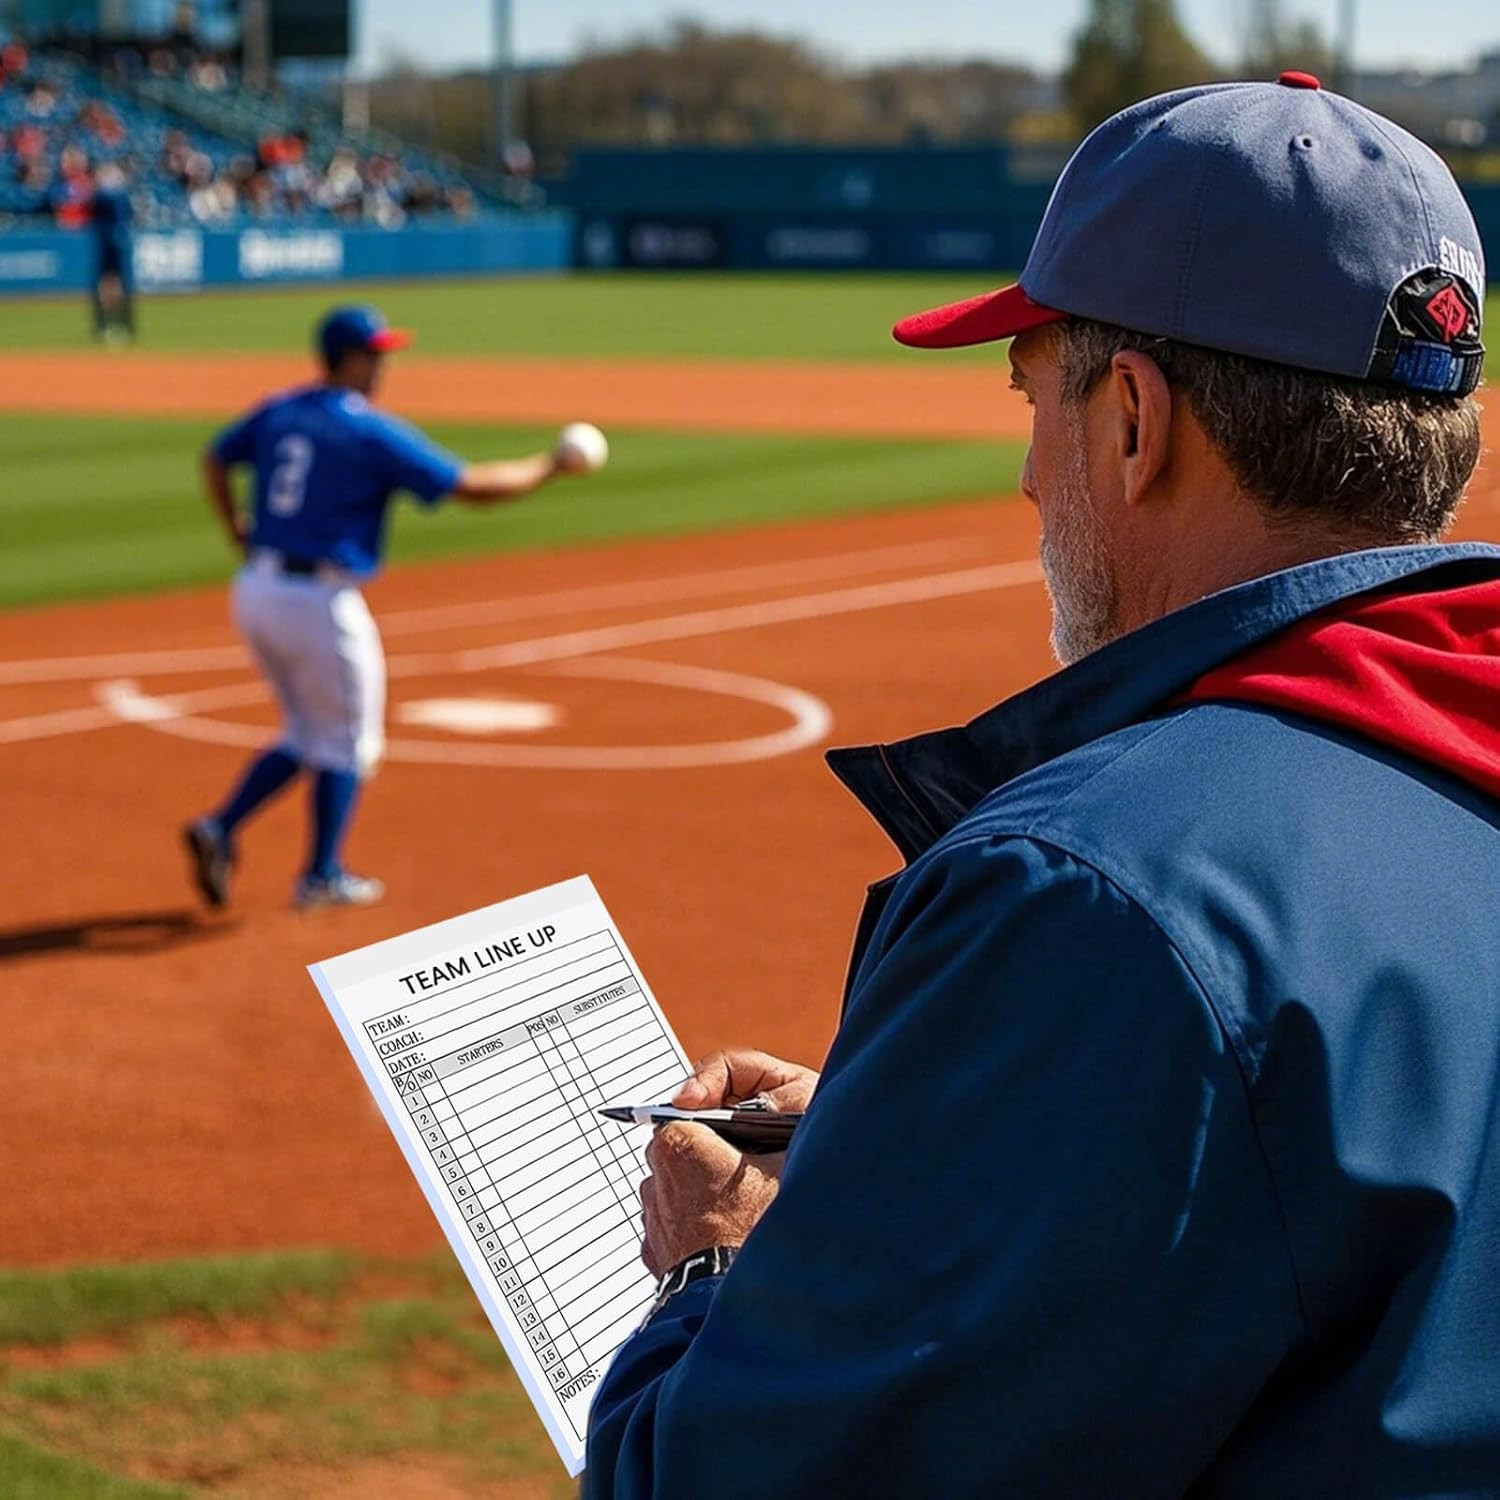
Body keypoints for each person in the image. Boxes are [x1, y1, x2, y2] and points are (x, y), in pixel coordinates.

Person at [584, 75, 1500, 1496]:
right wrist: (955, 1140)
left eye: (1035, 399)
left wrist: (722, 1268)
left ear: (1136, 421)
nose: (1027, 475)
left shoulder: (1101, 897)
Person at [184, 304, 586, 908]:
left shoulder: (282, 409)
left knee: (305, 730)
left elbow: (215, 458)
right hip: (318, 603)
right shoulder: (368, 430)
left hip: (257, 591)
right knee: (350, 743)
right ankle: (321, 876)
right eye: (375, 354)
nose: (384, 366)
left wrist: (234, 526)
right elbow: (471, 488)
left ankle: (221, 827)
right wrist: (550, 466)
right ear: (347, 358)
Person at [88, 162, 134, 343]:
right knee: (107, 284)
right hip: (107, 244)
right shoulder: (105, 196)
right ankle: (106, 324)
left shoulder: (116, 196)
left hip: (114, 245)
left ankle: (122, 324)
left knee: (119, 284)